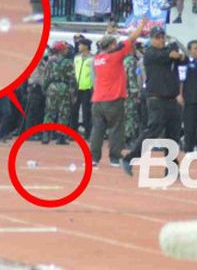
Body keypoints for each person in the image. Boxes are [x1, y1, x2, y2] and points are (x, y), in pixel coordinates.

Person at [122, 26, 186, 175]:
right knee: (152, 131)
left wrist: (177, 53)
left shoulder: (168, 54)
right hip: (156, 99)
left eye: (162, 37)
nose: (161, 39)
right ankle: (130, 158)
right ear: (151, 39)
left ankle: (171, 166)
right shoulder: (150, 53)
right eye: (157, 37)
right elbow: (166, 56)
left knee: (173, 135)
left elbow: (184, 59)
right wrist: (173, 52)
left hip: (172, 100)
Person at [90, 19, 146, 167]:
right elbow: (132, 39)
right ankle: (114, 158)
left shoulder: (96, 59)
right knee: (116, 128)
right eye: (114, 43)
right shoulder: (115, 57)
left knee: (97, 129)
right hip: (113, 99)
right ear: (111, 46)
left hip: (97, 99)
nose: (117, 45)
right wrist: (141, 25)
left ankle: (93, 158)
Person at [42, 41, 77, 145]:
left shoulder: (50, 61)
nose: (67, 50)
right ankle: (61, 137)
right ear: (61, 50)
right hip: (64, 87)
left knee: (49, 112)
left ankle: (46, 135)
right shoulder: (68, 62)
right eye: (65, 49)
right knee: (63, 112)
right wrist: (73, 94)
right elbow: (72, 79)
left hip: (52, 87)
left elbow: (46, 77)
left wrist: (45, 89)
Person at [179, 40, 197, 153]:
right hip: (190, 98)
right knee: (189, 126)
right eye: (195, 48)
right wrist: (180, 95)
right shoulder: (185, 63)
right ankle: (188, 149)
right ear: (189, 50)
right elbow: (181, 80)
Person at [72, 38, 94, 138]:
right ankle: (73, 131)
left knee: (86, 112)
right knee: (74, 111)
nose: (78, 46)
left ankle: (87, 132)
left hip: (87, 88)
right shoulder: (76, 58)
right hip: (76, 88)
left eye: (80, 45)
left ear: (86, 46)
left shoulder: (92, 59)